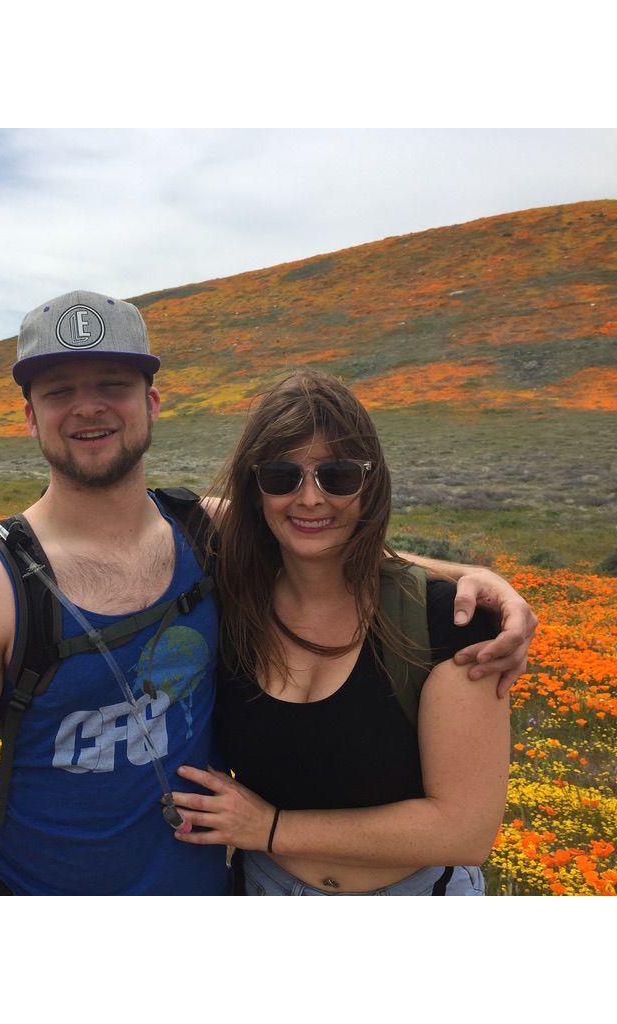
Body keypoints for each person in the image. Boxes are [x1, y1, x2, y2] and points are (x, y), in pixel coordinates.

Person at [0, 290, 535, 896]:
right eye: (59, 391)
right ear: (29, 416)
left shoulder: (201, 530)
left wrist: (470, 579)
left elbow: (318, 531)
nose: (88, 407)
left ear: (152, 403)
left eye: (112, 385)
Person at [170, 370, 511, 895]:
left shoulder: (446, 620)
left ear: (370, 484)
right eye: (281, 476)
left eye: (338, 476)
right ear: (255, 488)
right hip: (263, 888)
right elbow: (165, 509)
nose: (310, 497)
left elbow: (465, 831)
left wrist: (271, 828)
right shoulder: (233, 602)